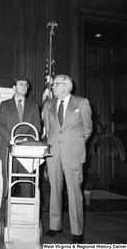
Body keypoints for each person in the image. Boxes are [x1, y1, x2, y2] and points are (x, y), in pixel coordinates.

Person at [43, 74, 92, 244]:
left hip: (73, 153)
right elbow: (49, 130)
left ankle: (77, 230)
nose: (53, 87)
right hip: (53, 153)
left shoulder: (81, 103)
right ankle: (55, 226)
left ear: (67, 86)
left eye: (56, 84)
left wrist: (74, 144)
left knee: (74, 192)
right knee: (54, 190)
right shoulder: (48, 104)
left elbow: (87, 129)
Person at [0, 76, 41, 225]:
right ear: (14, 87)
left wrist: (25, 140)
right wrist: (15, 139)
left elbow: (37, 128)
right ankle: (6, 219)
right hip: (9, 149)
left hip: (27, 152)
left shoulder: (34, 106)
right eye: (20, 84)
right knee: (8, 185)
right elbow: (1, 126)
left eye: (26, 85)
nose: (24, 87)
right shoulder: (4, 105)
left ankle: (27, 219)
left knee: (28, 184)